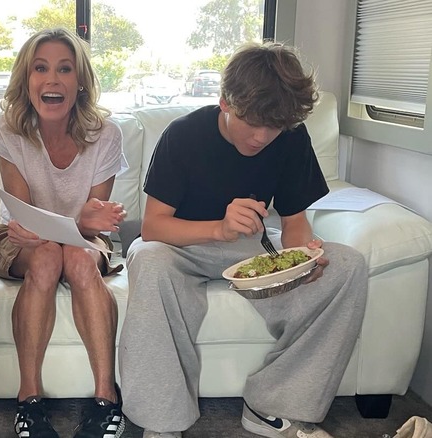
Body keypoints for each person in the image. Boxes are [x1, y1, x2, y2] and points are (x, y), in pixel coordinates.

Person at [118, 42, 369, 438]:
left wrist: (304, 254)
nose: (262, 136)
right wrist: (218, 227)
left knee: (348, 266)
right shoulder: (183, 136)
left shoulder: (290, 137)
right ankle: (161, 422)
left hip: (251, 247)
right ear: (225, 103)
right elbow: (153, 227)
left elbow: (295, 223)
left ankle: (273, 407)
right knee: (148, 261)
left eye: (275, 127)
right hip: (177, 245)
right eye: (252, 122)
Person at [0, 27, 128, 438]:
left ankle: (106, 400)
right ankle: (28, 400)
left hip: (83, 240)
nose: (52, 80)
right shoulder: (6, 130)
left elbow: (96, 218)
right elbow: (23, 213)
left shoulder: (107, 134)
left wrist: (87, 224)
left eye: (65, 69)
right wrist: (72, 224)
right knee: (47, 257)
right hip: (20, 235)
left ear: (79, 82)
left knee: (79, 260)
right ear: (26, 80)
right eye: (40, 68)